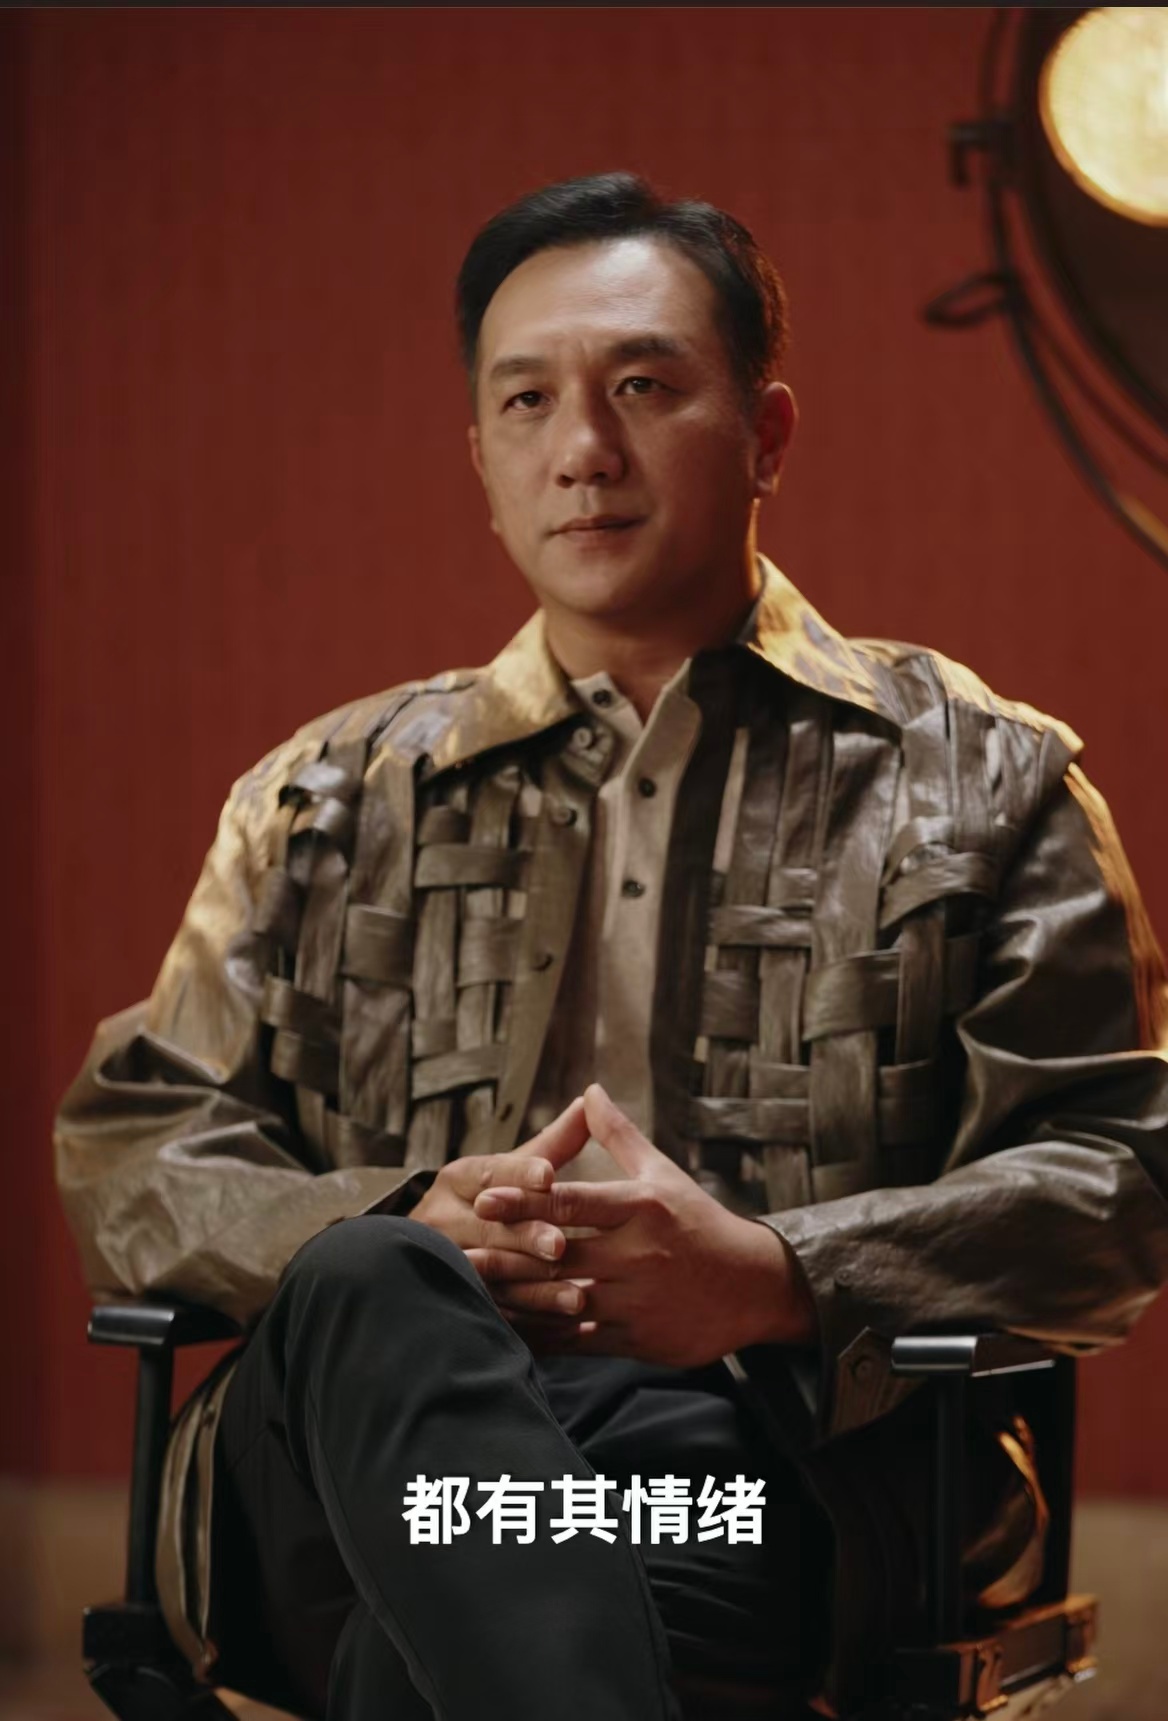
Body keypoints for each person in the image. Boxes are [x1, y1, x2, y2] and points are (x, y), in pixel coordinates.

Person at [56, 172, 1168, 1721]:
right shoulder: (321, 798)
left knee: (445, 1614)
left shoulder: (986, 781)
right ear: (482, 457)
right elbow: (132, 1145)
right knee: (374, 1276)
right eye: (527, 400)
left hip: (764, 1468)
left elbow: (1123, 1172)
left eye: (643, 386)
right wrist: (405, 1222)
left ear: (766, 433)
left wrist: (776, 1278)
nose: (582, 448)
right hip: (338, 1462)